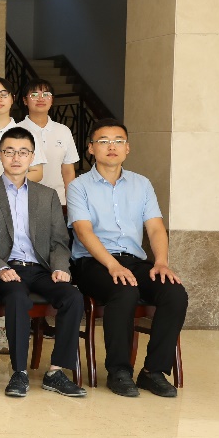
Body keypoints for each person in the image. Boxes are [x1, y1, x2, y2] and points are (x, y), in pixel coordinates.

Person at [68, 119, 187, 398]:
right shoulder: (78, 186)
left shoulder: (141, 184)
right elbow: (84, 232)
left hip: (134, 260)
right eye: (104, 141)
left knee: (174, 293)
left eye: (118, 141)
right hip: (93, 262)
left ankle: (153, 372)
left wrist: (161, 262)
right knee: (124, 290)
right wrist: (112, 265)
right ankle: (119, 371)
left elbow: (155, 227)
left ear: (127, 148)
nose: (112, 146)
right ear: (91, 148)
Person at [0, 127, 87, 398]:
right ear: (0, 155)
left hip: (41, 269)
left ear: (32, 157)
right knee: (17, 298)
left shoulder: (47, 195)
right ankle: (19, 372)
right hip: (5, 269)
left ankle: (56, 372)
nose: (16, 158)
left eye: (23, 152)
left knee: (73, 297)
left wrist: (60, 267)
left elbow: (59, 241)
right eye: (9, 152)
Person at [17, 79, 79, 207]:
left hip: (58, 201)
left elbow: (68, 171)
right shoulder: (15, 131)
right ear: (25, 100)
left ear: (52, 100)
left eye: (46, 94)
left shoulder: (63, 130)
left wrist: (71, 202)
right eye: (34, 94)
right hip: (23, 201)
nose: (41, 98)